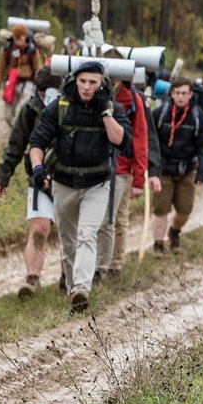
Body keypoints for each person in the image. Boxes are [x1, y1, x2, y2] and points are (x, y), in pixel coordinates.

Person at [28, 61, 131, 312]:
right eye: (83, 81)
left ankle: (81, 289)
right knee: (68, 239)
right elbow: (37, 142)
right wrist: (38, 168)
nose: (86, 87)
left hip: (97, 183)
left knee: (87, 234)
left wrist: (105, 112)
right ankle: (73, 285)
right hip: (64, 183)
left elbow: (121, 140)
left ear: (101, 84)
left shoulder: (112, 109)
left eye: (93, 82)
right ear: (75, 81)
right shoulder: (60, 106)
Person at [0, 66, 61, 299]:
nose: (47, 96)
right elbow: (15, 144)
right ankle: (32, 279)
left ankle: (69, 277)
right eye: (43, 91)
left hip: (69, 179)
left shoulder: (73, 109)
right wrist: (4, 175)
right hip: (38, 176)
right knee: (39, 229)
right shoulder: (30, 109)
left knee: (72, 233)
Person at [96, 77, 159, 279]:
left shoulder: (133, 100)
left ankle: (112, 264)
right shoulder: (92, 92)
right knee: (108, 217)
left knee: (113, 218)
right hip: (95, 166)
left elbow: (140, 140)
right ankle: (104, 262)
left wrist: (139, 179)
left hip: (121, 169)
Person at [150, 77, 203, 253]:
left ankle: (174, 232)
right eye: (177, 93)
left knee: (185, 210)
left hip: (186, 169)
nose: (181, 97)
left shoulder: (197, 116)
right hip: (163, 168)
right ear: (171, 93)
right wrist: (152, 167)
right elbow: (151, 141)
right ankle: (158, 245)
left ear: (191, 94)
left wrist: (201, 172)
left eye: (184, 93)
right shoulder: (160, 114)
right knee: (161, 209)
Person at [0, 24, 48, 127]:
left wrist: (41, 88)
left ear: (25, 36)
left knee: (20, 112)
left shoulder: (32, 49)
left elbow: (38, 69)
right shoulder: (7, 49)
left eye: (20, 38)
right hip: (11, 83)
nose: (18, 41)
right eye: (16, 38)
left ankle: (18, 137)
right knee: (7, 116)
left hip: (28, 84)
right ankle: (17, 133)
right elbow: (0, 69)